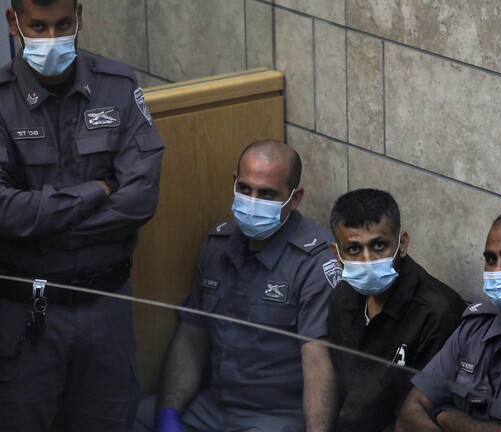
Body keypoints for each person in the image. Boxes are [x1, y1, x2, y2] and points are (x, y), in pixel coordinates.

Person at [0, 0, 165, 430]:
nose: (53, 39)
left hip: (104, 306)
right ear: (13, 22)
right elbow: (5, 211)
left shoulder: (117, 86)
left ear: (80, 16)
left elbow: (141, 198)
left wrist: (46, 226)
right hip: (27, 314)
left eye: (62, 24)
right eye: (39, 27)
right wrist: (97, 190)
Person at [136, 140, 338, 432]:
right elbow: (192, 338)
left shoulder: (313, 261)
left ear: (295, 199)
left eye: (267, 194)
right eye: (244, 188)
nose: (252, 201)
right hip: (213, 404)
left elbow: (319, 364)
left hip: (274, 414)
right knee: (132, 419)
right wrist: (168, 414)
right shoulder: (217, 245)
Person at [396, 207, 501, 432]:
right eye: (490, 259)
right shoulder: (475, 327)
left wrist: (445, 416)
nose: (497, 270)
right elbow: (410, 411)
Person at [327, 188, 466, 432]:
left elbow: (422, 411)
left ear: (402, 244)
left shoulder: (435, 313)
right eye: (354, 249)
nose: (367, 260)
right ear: (337, 254)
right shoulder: (343, 296)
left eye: (379, 245)